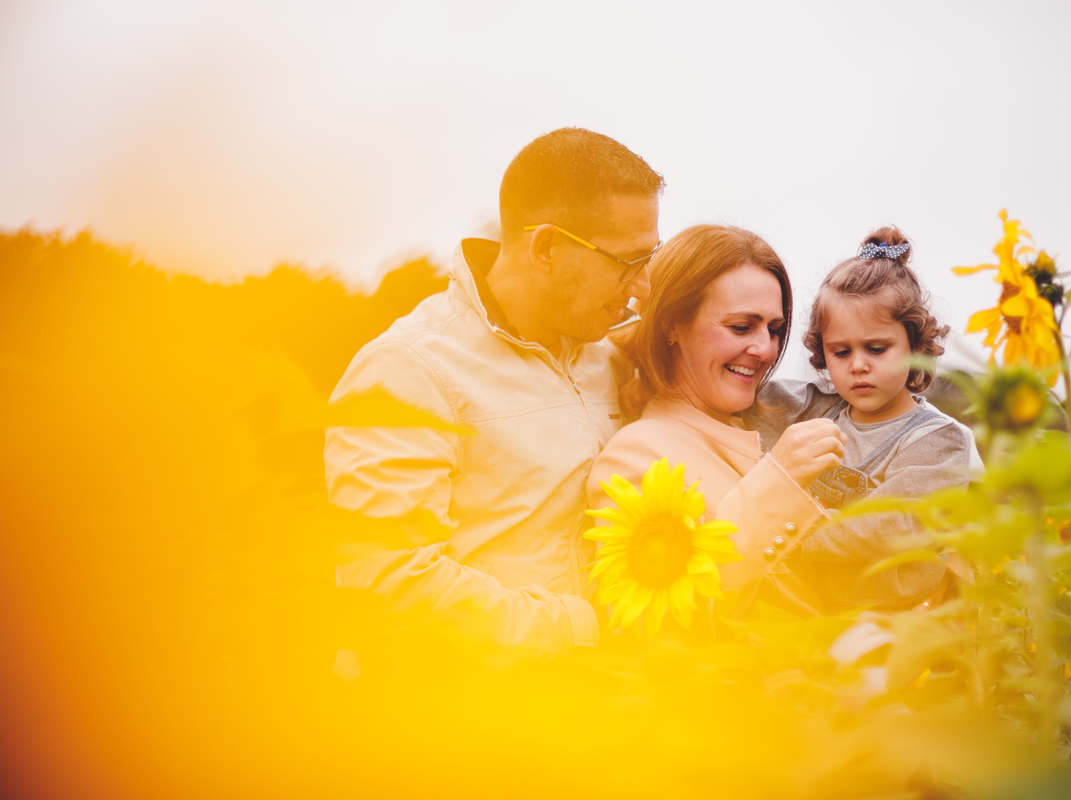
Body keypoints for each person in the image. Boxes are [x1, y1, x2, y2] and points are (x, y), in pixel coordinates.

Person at [324, 128, 663, 657]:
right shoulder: (407, 370)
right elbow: (385, 579)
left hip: (622, 704)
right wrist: (583, 629)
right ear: (546, 247)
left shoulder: (610, 357)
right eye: (627, 263)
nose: (642, 286)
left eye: (651, 260)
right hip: (483, 719)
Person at [586, 224, 848, 623]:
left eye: (775, 330)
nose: (764, 349)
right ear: (672, 324)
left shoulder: (770, 426)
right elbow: (654, 621)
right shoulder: (637, 452)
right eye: (741, 326)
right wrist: (781, 479)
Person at [745, 226, 984, 611]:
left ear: (916, 345)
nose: (858, 365)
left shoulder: (938, 440)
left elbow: (894, 525)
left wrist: (779, 532)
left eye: (876, 349)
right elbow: (742, 400)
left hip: (883, 624)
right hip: (802, 613)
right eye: (840, 352)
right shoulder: (814, 407)